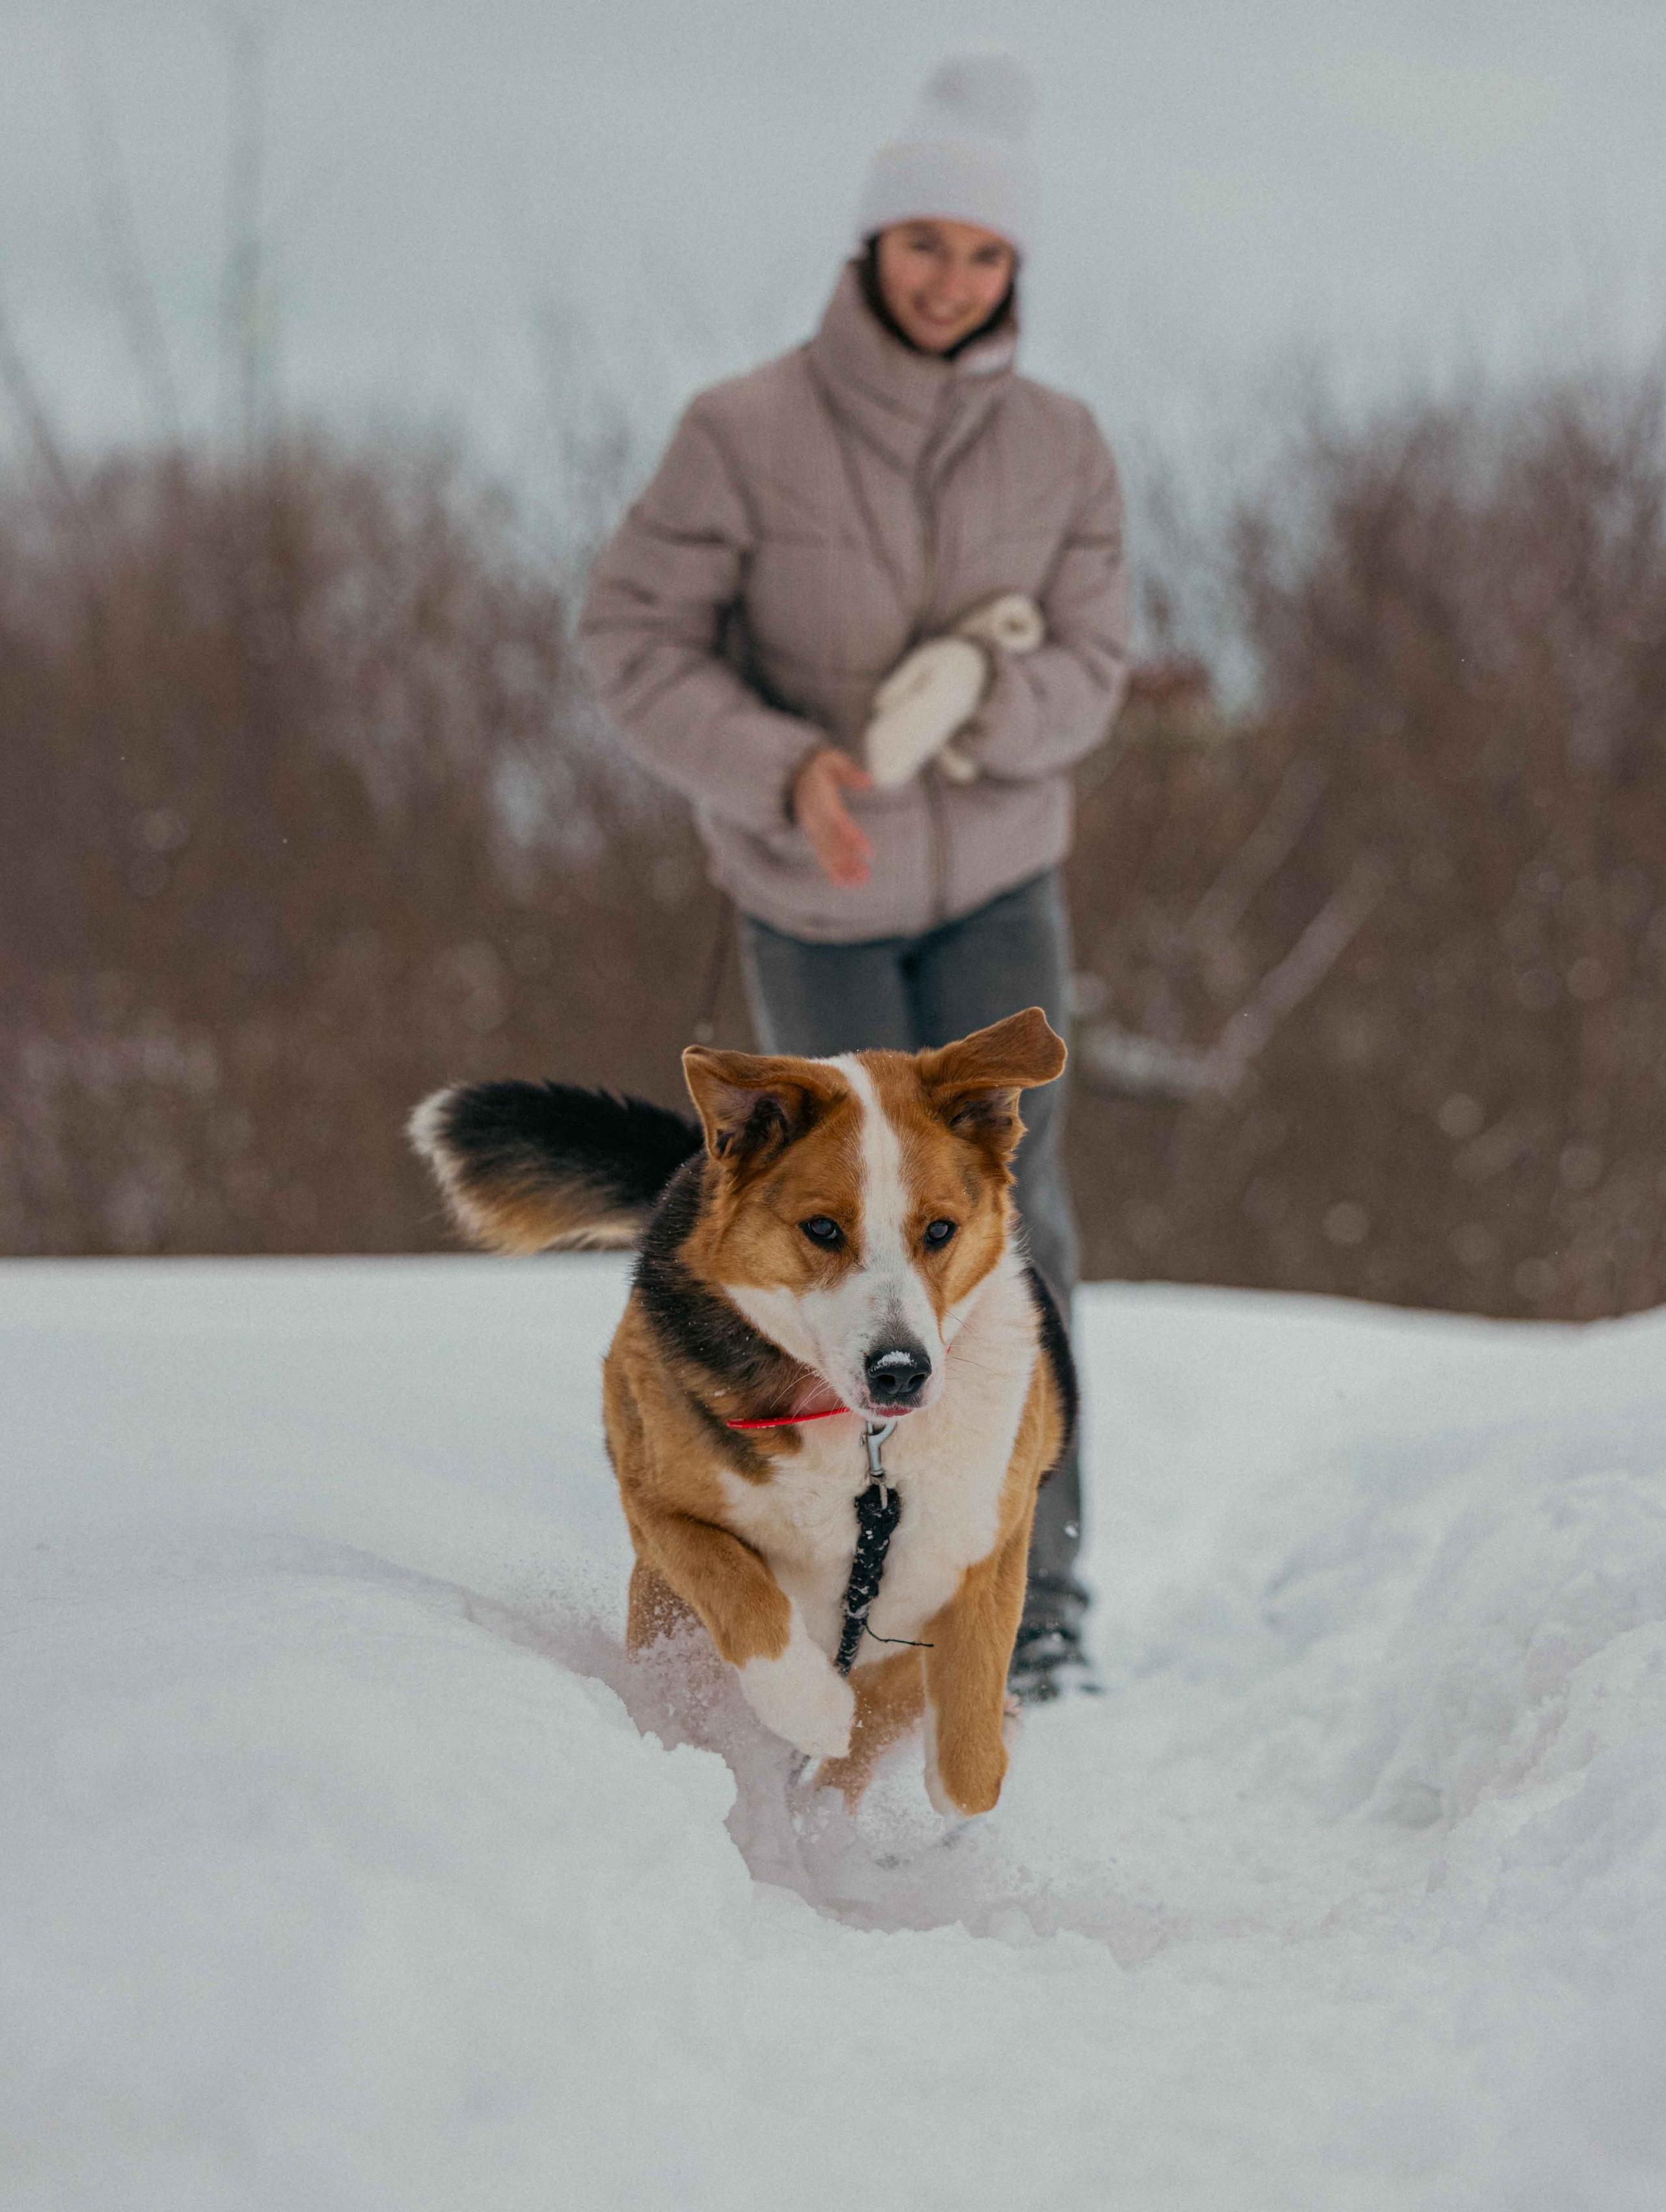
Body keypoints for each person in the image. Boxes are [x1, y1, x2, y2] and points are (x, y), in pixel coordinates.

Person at [580, 49, 1130, 1700]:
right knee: (815, 1237)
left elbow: (1095, 660)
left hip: (992, 885)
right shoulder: (740, 431)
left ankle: (1032, 1602)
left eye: (982, 255)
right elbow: (630, 639)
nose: (950, 279)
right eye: (923, 246)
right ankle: (823, 1559)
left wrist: (973, 711)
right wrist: (782, 764)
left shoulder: (1061, 445)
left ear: (1012, 271)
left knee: (1007, 1238)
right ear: (870, 250)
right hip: (808, 894)